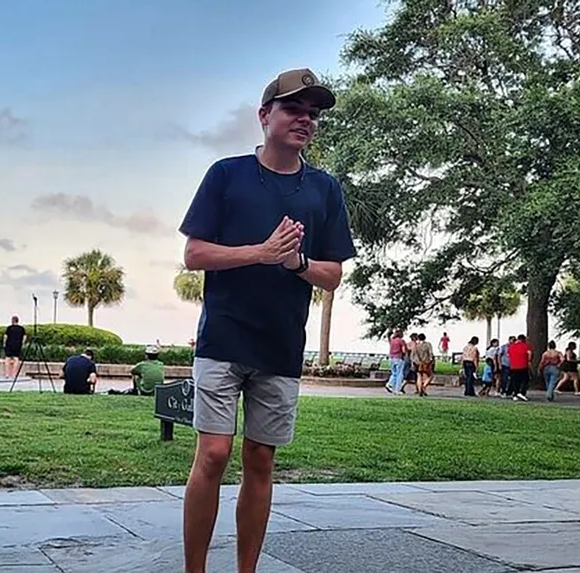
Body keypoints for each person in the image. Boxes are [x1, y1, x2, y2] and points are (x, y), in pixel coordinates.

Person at [178, 68, 356, 573]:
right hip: (223, 337)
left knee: (260, 458)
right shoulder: (226, 174)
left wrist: (294, 262)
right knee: (213, 453)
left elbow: (332, 274)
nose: (305, 120)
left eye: (313, 114)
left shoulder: (324, 189)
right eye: (294, 109)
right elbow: (194, 254)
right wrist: (259, 252)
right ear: (264, 116)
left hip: (280, 345)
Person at [506, 334, 532, 401]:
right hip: (523, 366)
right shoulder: (526, 346)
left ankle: (515, 394)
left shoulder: (511, 346)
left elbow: (508, 355)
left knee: (515, 381)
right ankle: (522, 392)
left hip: (513, 366)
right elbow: (529, 353)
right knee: (525, 379)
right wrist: (529, 361)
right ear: (524, 339)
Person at [387, 329, 406, 394]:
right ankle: (397, 390)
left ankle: (390, 384)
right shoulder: (401, 341)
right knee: (399, 374)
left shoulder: (392, 341)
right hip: (399, 358)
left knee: (394, 373)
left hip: (391, 358)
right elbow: (403, 350)